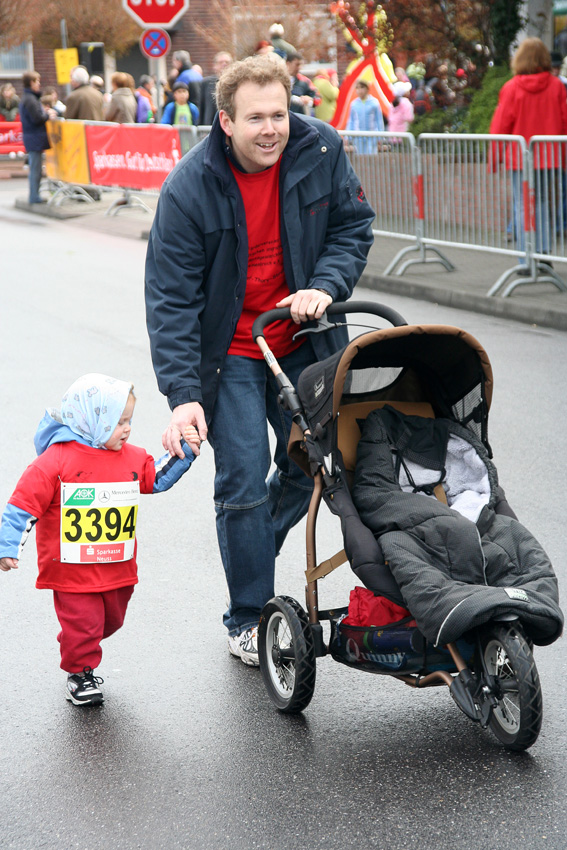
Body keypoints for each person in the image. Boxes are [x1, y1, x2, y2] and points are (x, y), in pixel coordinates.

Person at [145, 55, 375, 667]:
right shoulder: (189, 188)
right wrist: (183, 394)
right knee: (242, 481)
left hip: (306, 342)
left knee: (312, 468)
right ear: (225, 121)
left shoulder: (320, 149)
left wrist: (325, 283)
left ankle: (250, 547)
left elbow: (353, 228)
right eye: (255, 119)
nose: (271, 128)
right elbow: (171, 301)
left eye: (280, 113)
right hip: (236, 355)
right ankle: (248, 616)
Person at [0, 374, 197, 706]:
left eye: (129, 421)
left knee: (111, 620)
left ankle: (82, 642)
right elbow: (23, 505)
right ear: (94, 420)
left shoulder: (131, 457)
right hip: (71, 572)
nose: (127, 428)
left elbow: (156, 478)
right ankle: (80, 672)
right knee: (84, 623)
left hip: (117, 568)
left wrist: (186, 453)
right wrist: (8, 546)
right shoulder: (55, 461)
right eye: (119, 422)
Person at [490, 37, 567, 268]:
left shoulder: (511, 88)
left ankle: (526, 258)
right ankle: (543, 254)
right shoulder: (557, 87)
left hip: (520, 158)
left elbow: (500, 126)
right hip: (549, 156)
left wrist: (495, 158)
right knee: (543, 203)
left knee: (522, 205)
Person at [19, 70, 57, 205]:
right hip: (34, 137)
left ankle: (35, 195)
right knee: (35, 169)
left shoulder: (28, 98)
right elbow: (36, 119)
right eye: (37, 81)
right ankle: (34, 196)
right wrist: (47, 116)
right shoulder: (30, 99)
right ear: (31, 83)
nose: (39, 84)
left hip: (32, 137)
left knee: (35, 168)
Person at [346, 78, 384, 153]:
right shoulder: (354, 104)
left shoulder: (374, 102)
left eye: (362, 87)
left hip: (371, 136)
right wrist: (348, 136)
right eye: (357, 88)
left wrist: (380, 137)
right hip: (358, 137)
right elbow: (351, 120)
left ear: (367, 89)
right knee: (360, 158)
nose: (360, 90)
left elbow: (379, 120)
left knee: (371, 157)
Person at [199, 51, 233, 126]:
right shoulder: (206, 83)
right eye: (221, 62)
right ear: (215, 66)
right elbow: (201, 107)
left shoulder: (236, 84)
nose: (224, 64)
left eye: (227, 62)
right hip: (208, 128)